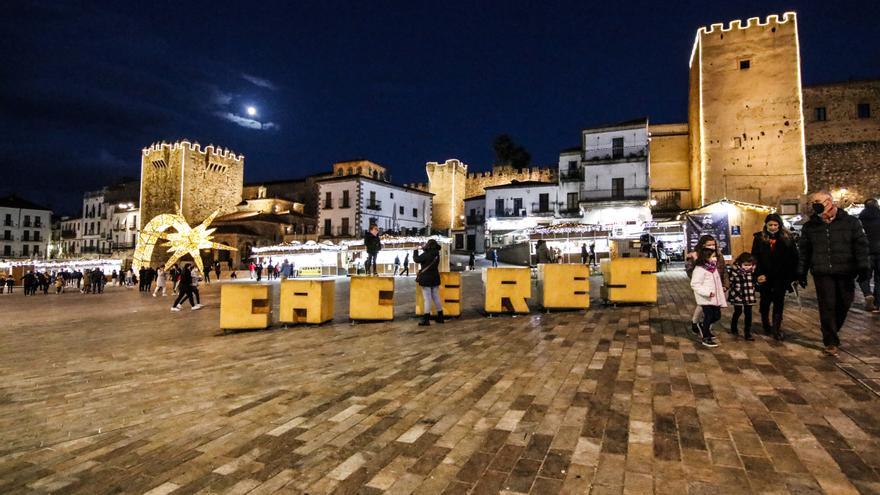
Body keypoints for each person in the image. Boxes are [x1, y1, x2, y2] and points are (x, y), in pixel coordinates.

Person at [798, 191, 870, 356]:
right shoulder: (810, 226)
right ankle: (830, 340)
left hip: (846, 270)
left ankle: (832, 330)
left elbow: (861, 245)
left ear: (830, 202)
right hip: (822, 272)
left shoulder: (850, 222)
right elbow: (804, 251)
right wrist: (801, 272)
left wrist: (864, 267)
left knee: (844, 303)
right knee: (827, 306)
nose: (814, 204)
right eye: (812, 202)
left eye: (817, 201)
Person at [751, 213, 799, 341]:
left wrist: (793, 276)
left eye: (775, 225)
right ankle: (766, 324)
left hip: (781, 276)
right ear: (766, 225)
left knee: (779, 302)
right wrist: (758, 274)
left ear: (780, 225)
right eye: (770, 225)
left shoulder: (787, 238)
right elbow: (755, 257)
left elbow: (794, 258)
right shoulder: (759, 238)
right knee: (765, 301)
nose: (773, 227)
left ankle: (776, 328)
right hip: (765, 276)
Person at [686, 235, 728, 335]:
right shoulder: (696, 255)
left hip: (717, 285)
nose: (712, 246)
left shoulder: (718, 254)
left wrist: (725, 284)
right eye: (709, 244)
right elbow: (691, 271)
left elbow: (724, 270)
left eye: (713, 244)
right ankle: (697, 324)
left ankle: (707, 327)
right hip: (705, 285)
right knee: (702, 306)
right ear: (703, 245)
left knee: (714, 310)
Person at [690, 247, 726, 348]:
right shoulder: (699, 269)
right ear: (706, 258)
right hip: (705, 298)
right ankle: (706, 337)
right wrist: (707, 293)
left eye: (715, 256)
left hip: (715, 298)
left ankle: (702, 326)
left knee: (717, 316)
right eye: (713, 257)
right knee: (709, 316)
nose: (715, 259)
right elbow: (695, 284)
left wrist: (721, 289)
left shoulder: (713, 268)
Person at [726, 252, 758, 341]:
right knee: (738, 312)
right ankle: (734, 327)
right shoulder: (734, 271)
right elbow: (730, 281)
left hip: (749, 294)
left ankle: (747, 333)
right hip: (738, 294)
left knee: (748, 314)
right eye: (745, 265)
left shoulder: (753, 271)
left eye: (749, 265)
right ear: (740, 263)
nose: (747, 267)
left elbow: (755, 282)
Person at [414, 239, 443, 326]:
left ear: (429, 246)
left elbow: (417, 259)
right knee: (436, 297)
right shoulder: (436, 254)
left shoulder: (426, 254)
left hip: (426, 279)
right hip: (435, 278)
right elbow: (429, 255)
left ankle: (426, 319)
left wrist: (415, 250)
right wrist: (424, 248)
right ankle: (440, 317)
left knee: (427, 299)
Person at [858, 198, 880, 312]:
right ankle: (878, 304)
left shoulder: (860, 219)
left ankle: (867, 294)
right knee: (878, 279)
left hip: (865, 252)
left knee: (863, 277)